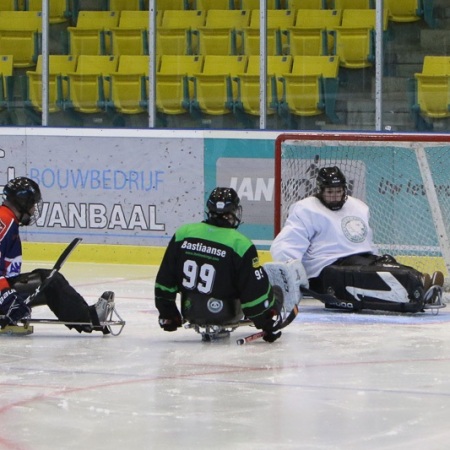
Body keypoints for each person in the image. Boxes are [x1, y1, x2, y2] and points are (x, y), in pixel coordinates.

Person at [270, 166, 444, 313]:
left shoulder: (358, 206)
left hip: (361, 259)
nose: (335, 196)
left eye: (339, 191)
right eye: (330, 192)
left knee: (384, 264)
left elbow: (365, 241)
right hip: (327, 269)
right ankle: (415, 287)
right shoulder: (306, 209)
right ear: (320, 190)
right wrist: (294, 277)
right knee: (372, 275)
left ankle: (419, 282)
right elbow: (285, 245)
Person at [154, 187, 283, 342]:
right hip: (226, 314)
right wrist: (266, 323)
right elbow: (254, 292)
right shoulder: (240, 244)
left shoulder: (183, 234)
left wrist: (168, 314)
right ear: (234, 212)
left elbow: (165, 279)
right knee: (275, 291)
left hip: (191, 311)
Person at [0, 176, 115, 333]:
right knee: (50, 281)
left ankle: (87, 317)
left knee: (46, 279)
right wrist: (6, 298)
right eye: (33, 204)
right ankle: (90, 318)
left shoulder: (7, 219)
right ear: (23, 202)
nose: (34, 210)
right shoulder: (4, 221)